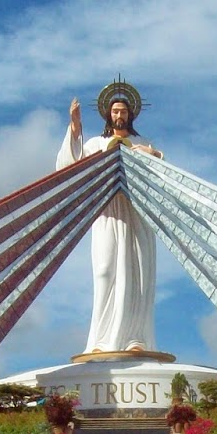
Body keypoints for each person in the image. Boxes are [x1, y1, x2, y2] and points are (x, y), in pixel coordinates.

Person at [56, 80, 163, 354]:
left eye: (123, 111)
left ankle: (135, 338)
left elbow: (162, 173)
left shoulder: (141, 142)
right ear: (108, 114)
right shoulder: (96, 143)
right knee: (105, 271)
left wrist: (152, 153)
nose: (119, 115)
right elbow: (68, 167)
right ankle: (102, 341)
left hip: (135, 214)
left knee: (137, 273)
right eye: (115, 111)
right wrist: (75, 129)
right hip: (107, 214)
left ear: (130, 114)